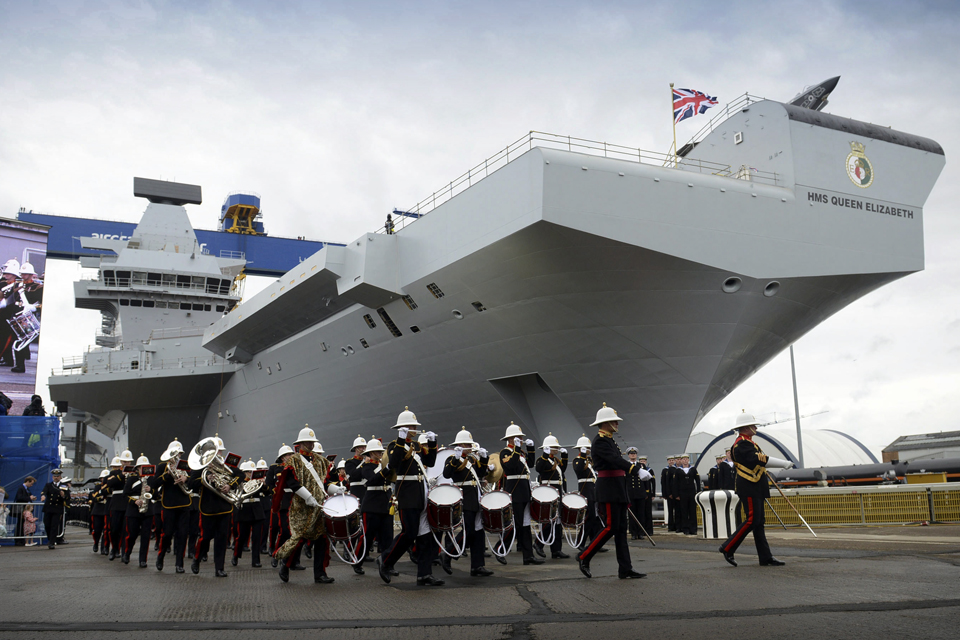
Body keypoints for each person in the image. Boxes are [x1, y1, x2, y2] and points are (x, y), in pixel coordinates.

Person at [577, 403, 650, 580]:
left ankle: (625, 568)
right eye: (613, 422)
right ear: (605, 423)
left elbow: (617, 461)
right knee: (610, 527)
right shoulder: (600, 441)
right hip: (609, 488)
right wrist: (635, 469)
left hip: (617, 487)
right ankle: (584, 556)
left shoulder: (609, 440)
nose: (617, 424)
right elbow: (615, 460)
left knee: (620, 529)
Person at [376, 407, 443, 586]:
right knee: (409, 533)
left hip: (421, 493)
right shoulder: (393, 445)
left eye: (414, 426)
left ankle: (424, 574)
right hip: (407, 494)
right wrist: (399, 439)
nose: (414, 428)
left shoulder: (415, 446)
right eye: (411, 426)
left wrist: (433, 443)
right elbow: (394, 463)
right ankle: (385, 560)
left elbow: (430, 462)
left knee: (425, 536)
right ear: (402, 427)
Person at [719, 412, 794, 567]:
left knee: (759, 522)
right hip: (749, 486)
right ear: (745, 427)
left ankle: (765, 557)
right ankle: (727, 547)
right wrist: (783, 463)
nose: (755, 428)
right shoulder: (742, 444)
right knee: (752, 519)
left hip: (755, 485)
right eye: (752, 425)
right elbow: (759, 459)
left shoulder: (750, 443)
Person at [273, 426, 335, 584]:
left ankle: (320, 574)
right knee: (299, 538)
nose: (311, 444)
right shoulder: (294, 460)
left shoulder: (320, 461)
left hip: (319, 505)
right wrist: (307, 496)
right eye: (307, 441)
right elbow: (291, 482)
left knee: (321, 539)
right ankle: (285, 565)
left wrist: (336, 489)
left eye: (312, 442)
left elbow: (325, 482)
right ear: (300, 443)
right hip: (302, 506)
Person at [441, 428, 494, 577]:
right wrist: (455, 459)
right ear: (459, 445)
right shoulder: (452, 458)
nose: (469, 447)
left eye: (470, 444)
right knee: (468, 530)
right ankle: (449, 554)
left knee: (478, 532)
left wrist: (483, 459)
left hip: (475, 497)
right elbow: (447, 474)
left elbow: (481, 474)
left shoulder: (472, 460)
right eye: (466, 444)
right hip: (464, 498)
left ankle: (478, 566)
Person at [189, 436, 243, 577]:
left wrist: (229, 485)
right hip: (208, 507)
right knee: (205, 537)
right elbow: (191, 484)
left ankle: (219, 568)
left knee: (221, 538)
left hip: (224, 507)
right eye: (216, 452)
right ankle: (197, 558)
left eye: (219, 452)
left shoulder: (227, 465)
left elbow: (240, 475)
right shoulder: (200, 467)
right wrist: (205, 479)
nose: (218, 455)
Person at [496, 422, 541, 565]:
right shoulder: (505, 452)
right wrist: (516, 449)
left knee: (526, 525)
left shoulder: (520, 453)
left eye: (520, 437)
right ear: (510, 439)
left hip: (524, 490)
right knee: (515, 524)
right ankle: (499, 548)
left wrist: (530, 448)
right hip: (515, 492)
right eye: (517, 437)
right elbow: (511, 466)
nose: (520, 439)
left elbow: (531, 464)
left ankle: (528, 556)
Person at [156, 439, 192, 573]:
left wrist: (186, 479)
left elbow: (193, 480)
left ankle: (179, 564)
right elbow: (154, 483)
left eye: (179, 454)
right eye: (175, 454)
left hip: (184, 503)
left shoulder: (186, 465)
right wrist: (167, 475)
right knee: (167, 534)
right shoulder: (162, 467)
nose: (177, 457)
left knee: (182, 534)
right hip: (169, 504)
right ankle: (161, 556)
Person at [534, 434, 569, 559]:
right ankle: (538, 544)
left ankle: (556, 550)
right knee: (549, 521)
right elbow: (539, 469)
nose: (557, 449)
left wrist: (565, 456)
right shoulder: (542, 460)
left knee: (557, 521)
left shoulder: (555, 461)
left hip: (557, 491)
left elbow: (562, 470)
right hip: (549, 491)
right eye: (554, 447)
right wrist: (544, 455)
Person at [122, 455, 157, 567]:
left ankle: (143, 560)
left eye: (146, 466)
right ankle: (127, 553)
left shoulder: (152, 479)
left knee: (146, 536)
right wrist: (134, 501)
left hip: (148, 510)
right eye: (141, 467)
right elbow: (125, 495)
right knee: (132, 534)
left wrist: (151, 490)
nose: (144, 469)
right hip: (133, 510)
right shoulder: (132, 479)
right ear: (137, 468)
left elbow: (157, 495)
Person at [232, 460, 267, 568]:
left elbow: (267, 492)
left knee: (257, 537)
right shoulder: (240, 482)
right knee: (242, 536)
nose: (250, 474)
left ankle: (255, 560)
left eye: (252, 471)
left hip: (257, 510)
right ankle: (236, 555)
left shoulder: (257, 481)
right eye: (248, 472)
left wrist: (264, 484)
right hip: (245, 510)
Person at [11, 262, 42, 373]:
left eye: (25, 274)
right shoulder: (18, 286)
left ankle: (20, 365)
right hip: (16, 315)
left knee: (21, 341)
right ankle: (18, 363)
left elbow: (43, 304)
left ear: (31, 274)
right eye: (22, 274)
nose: (23, 276)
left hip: (27, 317)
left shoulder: (38, 287)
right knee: (18, 340)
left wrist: (35, 308)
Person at [571, 435, 599, 549]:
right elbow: (578, 470)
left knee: (595, 518)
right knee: (588, 518)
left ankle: (594, 542)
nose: (588, 450)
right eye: (586, 448)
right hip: (586, 491)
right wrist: (582, 455)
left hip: (593, 491)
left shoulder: (589, 460)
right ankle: (581, 542)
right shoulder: (578, 460)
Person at [40, 469, 68, 549]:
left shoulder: (64, 486)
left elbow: (67, 497)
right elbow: (44, 491)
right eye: (55, 476)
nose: (56, 478)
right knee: (47, 524)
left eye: (58, 476)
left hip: (57, 508)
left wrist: (63, 495)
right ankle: (50, 538)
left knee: (54, 526)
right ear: (52, 477)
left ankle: (51, 542)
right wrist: (43, 496)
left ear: (60, 477)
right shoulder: (49, 485)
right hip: (48, 508)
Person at [677, 454, 701, 535]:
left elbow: (697, 480)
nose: (685, 460)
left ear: (688, 460)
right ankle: (685, 528)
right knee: (684, 511)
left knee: (692, 511)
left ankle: (693, 529)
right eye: (683, 459)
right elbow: (675, 483)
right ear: (681, 460)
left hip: (691, 492)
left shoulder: (693, 469)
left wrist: (698, 491)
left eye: (686, 459)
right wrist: (676, 494)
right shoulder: (678, 470)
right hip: (682, 493)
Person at [625, 447, 645, 540]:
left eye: (634, 453)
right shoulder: (626, 465)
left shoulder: (641, 466)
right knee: (632, 514)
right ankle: (633, 533)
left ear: (636, 455)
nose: (633, 455)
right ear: (628, 455)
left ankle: (640, 532)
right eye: (631, 454)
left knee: (641, 514)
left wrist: (647, 492)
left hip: (640, 492)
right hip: (631, 493)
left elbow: (645, 480)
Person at [90, 470, 110, 555]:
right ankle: (96, 542)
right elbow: (95, 498)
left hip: (107, 509)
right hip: (98, 510)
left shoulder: (111, 487)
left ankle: (104, 547)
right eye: (103, 478)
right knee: (97, 530)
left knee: (106, 530)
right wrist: (102, 497)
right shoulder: (98, 487)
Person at [14, 476, 37, 545]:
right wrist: (29, 498)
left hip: (26, 510)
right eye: (31, 483)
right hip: (22, 509)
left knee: (23, 525)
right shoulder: (21, 488)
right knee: (20, 525)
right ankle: (18, 540)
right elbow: (19, 498)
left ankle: (22, 540)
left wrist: (32, 498)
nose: (31, 485)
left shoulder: (27, 489)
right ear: (27, 481)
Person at [637, 455, 655, 537]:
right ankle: (642, 530)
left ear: (646, 462)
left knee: (648, 512)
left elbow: (653, 482)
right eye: (641, 461)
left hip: (648, 493)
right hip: (640, 494)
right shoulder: (637, 471)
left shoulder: (649, 470)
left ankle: (649, 530)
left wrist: (652, 493)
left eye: (644, 461)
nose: (642, 463)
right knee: (641, 513)